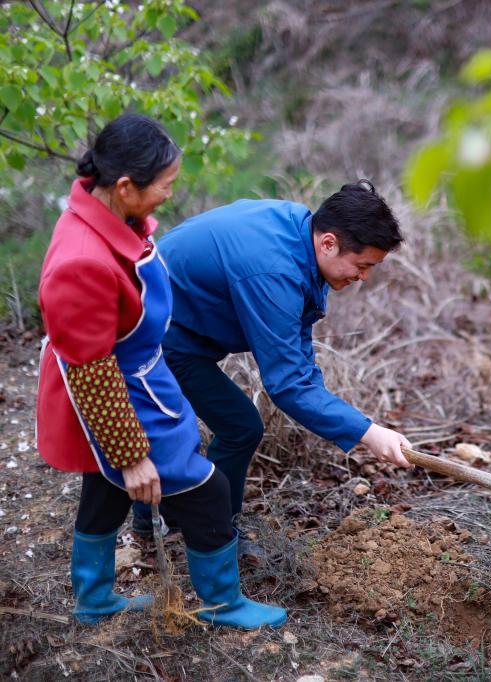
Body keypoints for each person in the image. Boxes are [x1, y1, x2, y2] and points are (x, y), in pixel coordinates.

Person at [36, 113, 286, 629]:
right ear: (125, 186)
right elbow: (90, 368)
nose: (170, 195)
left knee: (104, 487)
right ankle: (223, 602)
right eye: (165, 185)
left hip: (135, 375)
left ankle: (95, 599)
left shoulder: (106, 213)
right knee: (205, 488)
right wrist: (130, 455)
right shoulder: (81, 261)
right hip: (114, 389)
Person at [129, 180, 414, 547]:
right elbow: (287, 385)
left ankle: (174, 522)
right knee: (238, 426)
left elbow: (296, 348)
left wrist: (349, 419)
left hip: (180, 323)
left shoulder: (300, 230)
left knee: (221, 428)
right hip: (155, 335)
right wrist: (369, 432)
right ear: (328, 242)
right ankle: (204, 533)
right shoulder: (273, 270)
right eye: (362, 265)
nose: (364, 277)